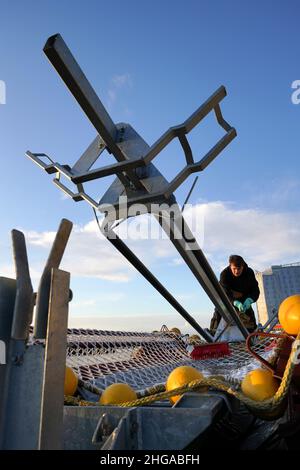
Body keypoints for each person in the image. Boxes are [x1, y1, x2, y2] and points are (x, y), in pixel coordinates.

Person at [210, 254, 260, 335]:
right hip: (227, 297)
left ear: (243, 266)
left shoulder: (249, 272)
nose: (236, 271)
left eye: (239, 269)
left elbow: (255, 290)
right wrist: (234, 302)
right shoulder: (224, 274)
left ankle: (252, 337)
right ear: (230, 266)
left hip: (244, 297)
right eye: (234, 269)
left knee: (250, 321)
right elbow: (224, 293)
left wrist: (250, 299)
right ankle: (213, 335)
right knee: (219, 311)